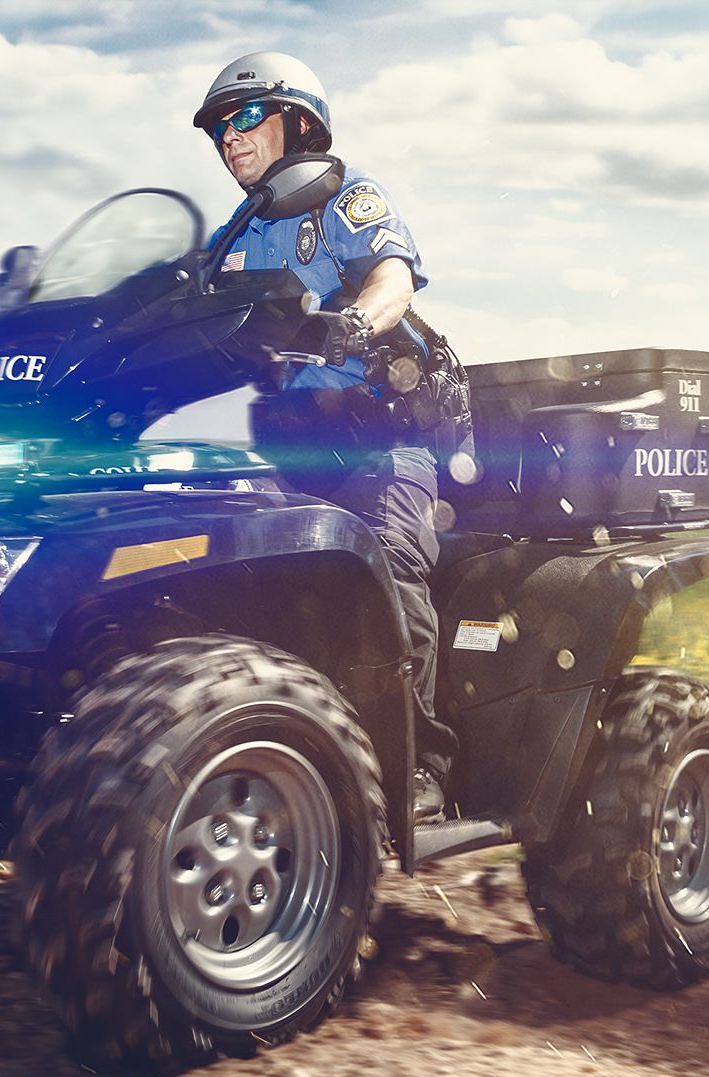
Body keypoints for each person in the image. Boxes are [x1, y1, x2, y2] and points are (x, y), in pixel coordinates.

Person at [194, 51, 466, 821]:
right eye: (219, 128)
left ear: (300, 120)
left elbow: (392, 277)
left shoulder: (345, 198)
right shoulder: (233, 235)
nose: (229, 138)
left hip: (381, 447)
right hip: (284, 455)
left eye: (246, 118)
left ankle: (417, 767)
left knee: (388, 570)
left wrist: (356, 321)